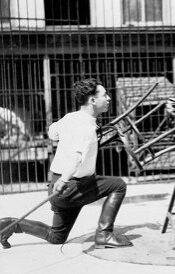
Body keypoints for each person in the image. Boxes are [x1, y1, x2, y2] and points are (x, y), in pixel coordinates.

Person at [0, 78, 132, 249]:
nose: (108, 98)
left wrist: (67, 138)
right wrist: (64, 180)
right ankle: (104, 235)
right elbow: (77, 158)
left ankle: (10, 224)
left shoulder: (71, 118)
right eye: (104, 95)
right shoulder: (87, 128)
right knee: (118, 185)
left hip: (57, 186)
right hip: (69, 187)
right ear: (92, 100)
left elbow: (52, 133)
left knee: (56, 237)